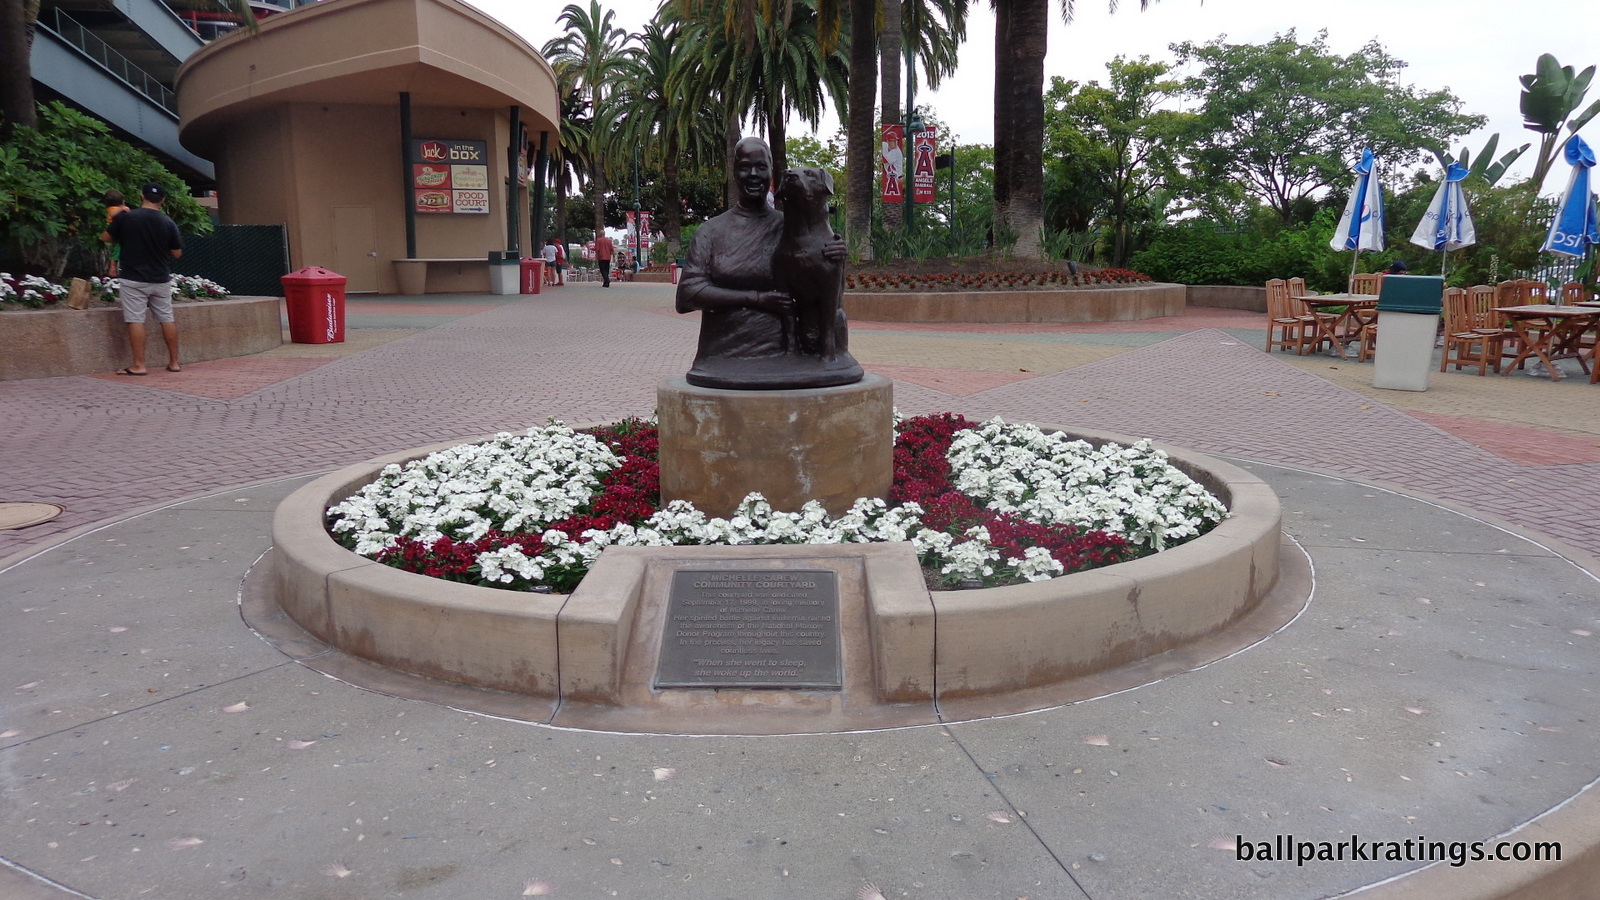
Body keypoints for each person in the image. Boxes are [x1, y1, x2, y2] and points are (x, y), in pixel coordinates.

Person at [674, 136, 851, 389]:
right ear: (735, 172)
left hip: (790, 353)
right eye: (745, 167)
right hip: (724, 354)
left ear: (771, 172)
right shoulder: (711, 231)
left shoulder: (792, 229)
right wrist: (756, 298)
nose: (753, 175)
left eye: (761, 167)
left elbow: (827, 294)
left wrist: (835, 258)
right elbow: (687, 296)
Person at [102, 183, 183, 375]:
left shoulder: (127, 217)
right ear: (162, 201)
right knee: (166, 318)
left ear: (141, 197)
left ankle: (139, 364)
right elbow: (177, 253)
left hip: (133, 278)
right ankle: (174, 362)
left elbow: (105, 237)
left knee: (135, 319)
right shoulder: (168, 223)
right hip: (160, 278)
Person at [103, 189, 130, 277]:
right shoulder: (113, 209)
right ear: (122, 201)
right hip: (115, 234)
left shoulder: (118, 210)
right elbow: (112, 213)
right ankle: (112, 269)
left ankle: (115, 269)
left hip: (118, 233)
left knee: (117, 251)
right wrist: (122, 208)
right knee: (116, 252)